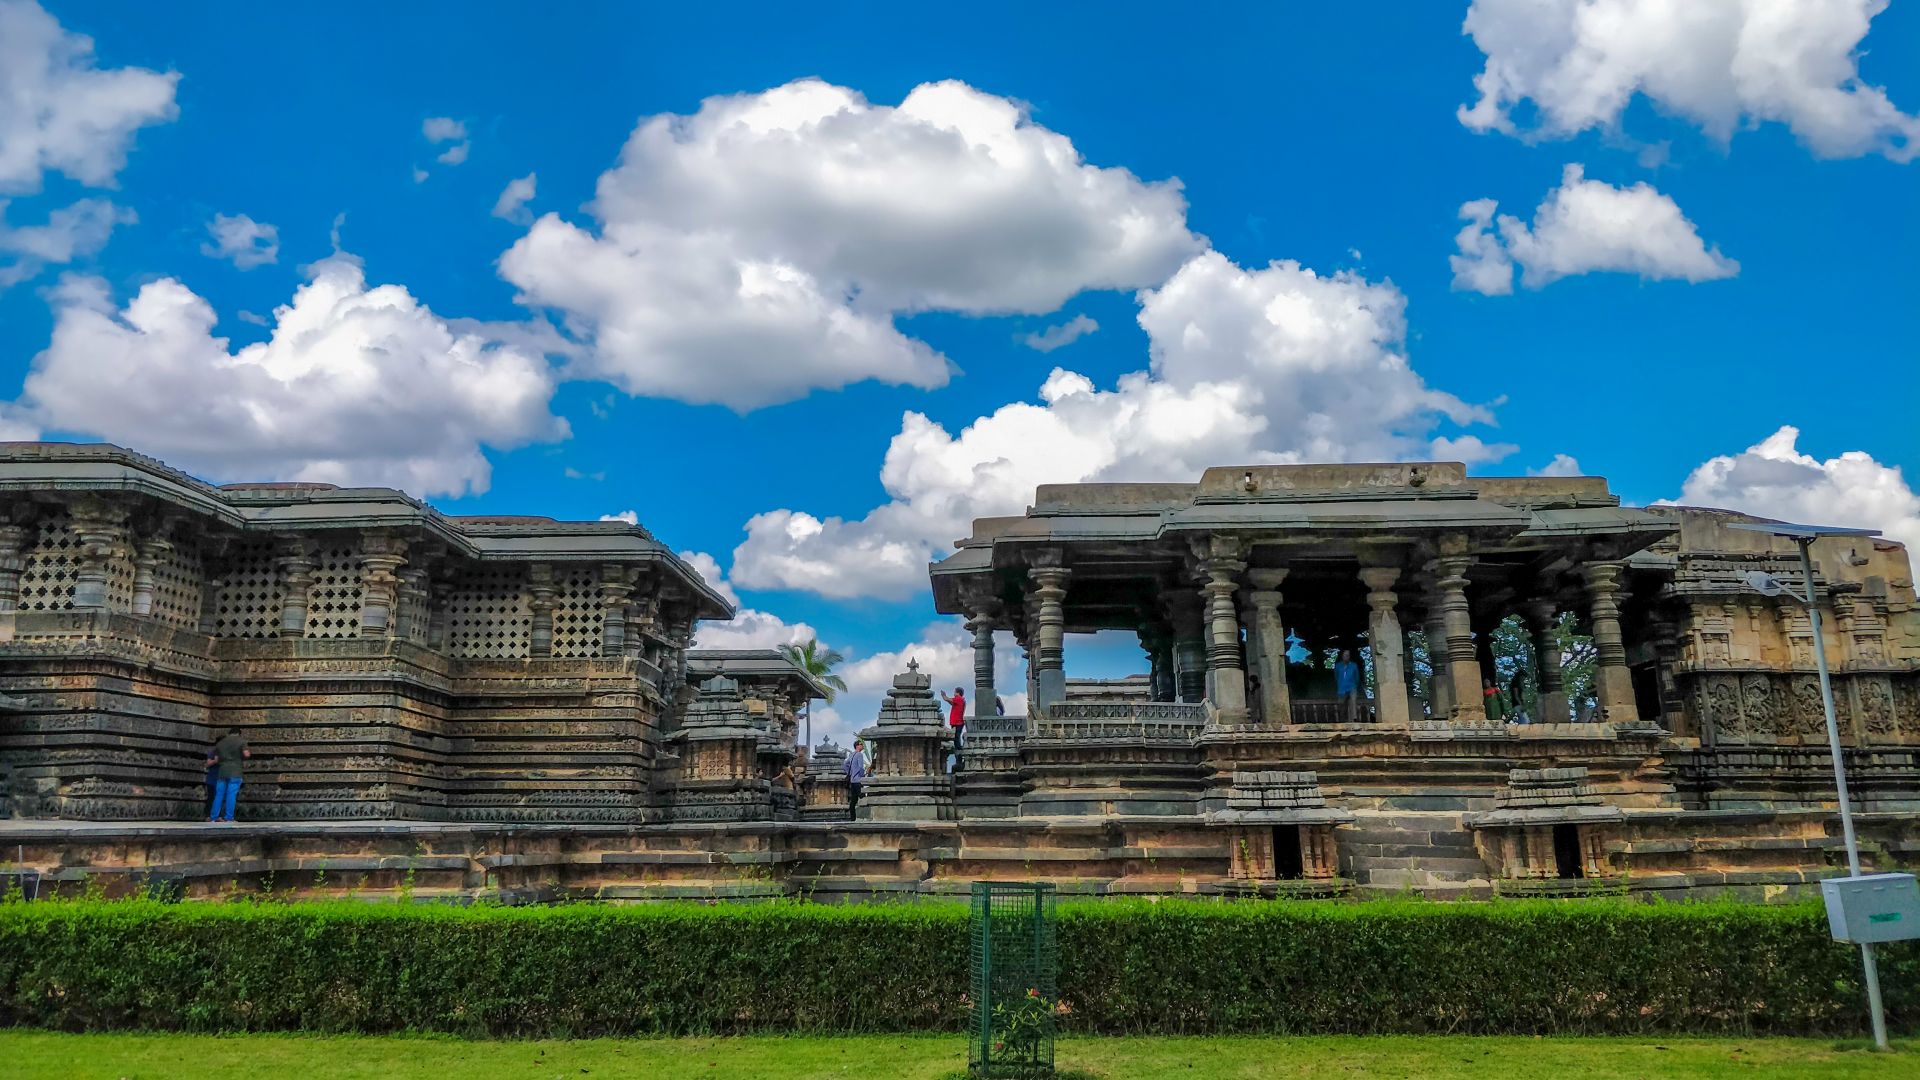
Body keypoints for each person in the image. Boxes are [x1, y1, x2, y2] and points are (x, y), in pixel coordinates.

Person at [206, 727, 249, 823]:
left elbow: (216, 758)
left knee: (219, 794)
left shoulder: (220, 743)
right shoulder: (241, 741)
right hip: (235, 771)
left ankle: (213, 817)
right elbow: (246, 754)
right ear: (239, 733)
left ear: (229, 733)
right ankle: (229, 817)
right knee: (231, 794)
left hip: (222, 771)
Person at [1334, 649, 1361, 723]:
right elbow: (1336, 676)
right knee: (1342, 705)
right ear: (1342, 656)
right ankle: (1343, 720)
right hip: (1342, 689)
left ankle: (1354, 718)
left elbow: (1357, 677)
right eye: (1345, 655)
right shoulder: (1338, 666)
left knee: (1353, 700)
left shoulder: (1354, 665)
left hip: (1352, 687)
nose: (1347, 657)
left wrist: (1354, 685)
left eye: (1348, 655)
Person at [845, 737, 869, 815]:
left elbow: (845, 764)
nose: (862, 746)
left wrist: (850, 772)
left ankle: (852, 817)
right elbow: (861, 767)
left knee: (853, 800)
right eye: (861, 744)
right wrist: (862, 776)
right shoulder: (859, 755)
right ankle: (866, 814)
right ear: (857, 746)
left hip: (852, 780)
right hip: (858, 780)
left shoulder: (852, 755)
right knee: (863, 797)